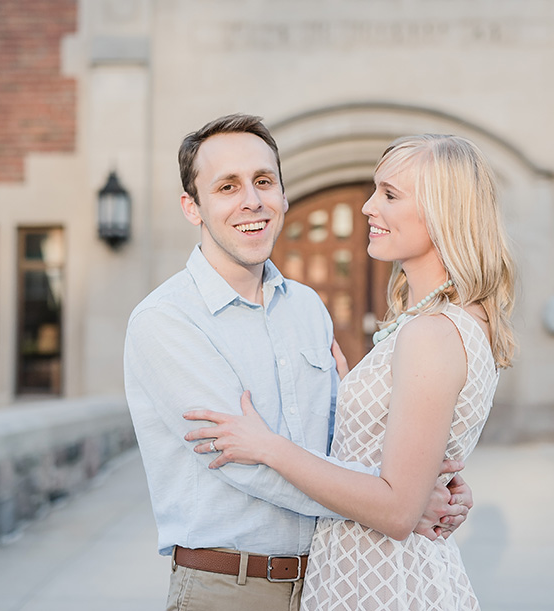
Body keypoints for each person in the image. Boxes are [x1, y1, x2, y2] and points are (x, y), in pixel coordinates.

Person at [124, 115, 473, 611]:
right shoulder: (166, 322)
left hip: (329, 583)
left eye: (264, 181)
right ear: (192, 207)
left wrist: (418, 480)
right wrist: (397, 505)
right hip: (229, 588)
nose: (252, 200)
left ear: (284, 195)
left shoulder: (308, 307)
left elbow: (343, 439)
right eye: (227, 187)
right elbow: (246, 468)